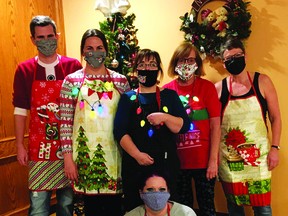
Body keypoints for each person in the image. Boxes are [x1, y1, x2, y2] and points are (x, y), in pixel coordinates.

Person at [13, 15, 82, 215]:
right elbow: (20, 109)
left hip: (68, 149)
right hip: (39, 149)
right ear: (33, 40)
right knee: (38, 206)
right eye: (40, 37)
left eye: (50, 36)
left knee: (66, 205)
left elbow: (80, 108)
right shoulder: (24, 70)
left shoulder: (72, 66)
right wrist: (19, 145)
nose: (46, 41)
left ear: (57, 36)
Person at [59, 28, 130, 216]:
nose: (94, 52)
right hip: (84, 157)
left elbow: (128, 122)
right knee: (91, 209)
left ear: (106, 50)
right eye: (89, 48)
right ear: (82, 52)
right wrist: (68, 158)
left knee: (116, 208)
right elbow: (65, 123)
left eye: (99, 47)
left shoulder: (120, 81)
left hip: (116, 157)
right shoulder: (71, 82)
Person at [113, 49, 191, 212]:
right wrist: (137, 155)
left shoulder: (170, 96)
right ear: (135, 71)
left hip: (166, 166)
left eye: (152, 65)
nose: (147, 69)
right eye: (142, 65)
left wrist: (165, 117)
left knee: (167, 208)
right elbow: (119, 131)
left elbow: (183, 126)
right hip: (135, 167)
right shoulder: (127, 99)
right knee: (135, 208)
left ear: (158, 70)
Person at [215, 38, 282, 215]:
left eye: (238, 55)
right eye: (229, 58)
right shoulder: (219, 89)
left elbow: (276, 118)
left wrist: (275, 148)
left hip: (259, 159)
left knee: (263, 209)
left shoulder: (263, 81)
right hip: (230, 161)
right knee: (234, 209)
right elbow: (214, 127)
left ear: (245, 56)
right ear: (224, 64)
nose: (234, 60)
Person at [163, 41, 221, 216]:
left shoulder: (207, 88)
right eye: (181, 60)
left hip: (204, 163)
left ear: (197, 63)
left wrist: (213, 161)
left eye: (190, 60)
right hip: (178, 163)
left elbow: (215, 126)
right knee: (182, 209)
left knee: (207, 208)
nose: (186, 65)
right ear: (175, 63)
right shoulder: (167, 91)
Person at [124, 170, 197, 216]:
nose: (157, 194)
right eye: (150, 190)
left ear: (168, 192)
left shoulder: (186, 213)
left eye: (162, 189)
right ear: (141, 193)